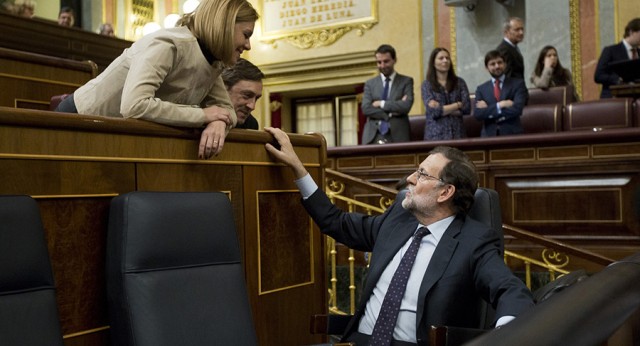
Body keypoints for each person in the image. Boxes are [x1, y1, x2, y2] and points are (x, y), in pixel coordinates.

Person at [264, 128, 534, 345]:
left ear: (445, 193)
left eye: (422, 174)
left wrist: (506, 336)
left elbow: (510, 290)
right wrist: (299, 169)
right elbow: (336, 222)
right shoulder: (397, 220)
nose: (409, 179)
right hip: (359, 340)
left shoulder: (474, 240)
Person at [55, 0, 259, 159]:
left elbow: (227, 111)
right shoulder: (168, 44)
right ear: (225, 25)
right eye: (246, 34)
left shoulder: (213, 61)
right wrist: (204, 115)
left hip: (114, 133)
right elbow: (134, 106)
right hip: (78, 121)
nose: (248, 45)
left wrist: (219, 124)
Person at [361, 44, 414, 145]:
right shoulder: (370, 84)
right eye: (379, 62)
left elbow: (406, 106)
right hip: (372, 137)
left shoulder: (406, 81)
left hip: (398, 136)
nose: (382, 65)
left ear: (394, 60)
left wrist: (381, 104)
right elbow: (366, 108)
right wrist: (390, 113)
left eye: (386, 61)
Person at [421, 47, 471, 141]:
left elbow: (467, 108)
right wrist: (457, 105)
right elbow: (434, 112)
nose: (445, 60)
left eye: (447, 58)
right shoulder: (427, 85)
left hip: (458, 134)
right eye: (441, 58)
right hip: (435, 135)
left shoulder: (459, 82)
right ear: (433, 62)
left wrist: (442, 109)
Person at [474, 50, 527, 137]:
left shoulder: (518, 84)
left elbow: (517, 109)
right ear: (486, 68)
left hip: (512, 134)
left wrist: (489, 110)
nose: (497, 66)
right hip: (488, 136)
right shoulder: (481, 89)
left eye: (500, 62)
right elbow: (478, 114)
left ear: (505, 64)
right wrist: (500, 105)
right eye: (492, 64)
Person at [594, 17, 640, 98]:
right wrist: (618, 79)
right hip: (614, 99)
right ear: (631, 32)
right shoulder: (610, 51)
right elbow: (598, 76)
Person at [221, 58, 264, 130]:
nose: (252, 107)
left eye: (256, 98)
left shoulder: (251, 124)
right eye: (247, 95)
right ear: (223, 88)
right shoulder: (198, 113)